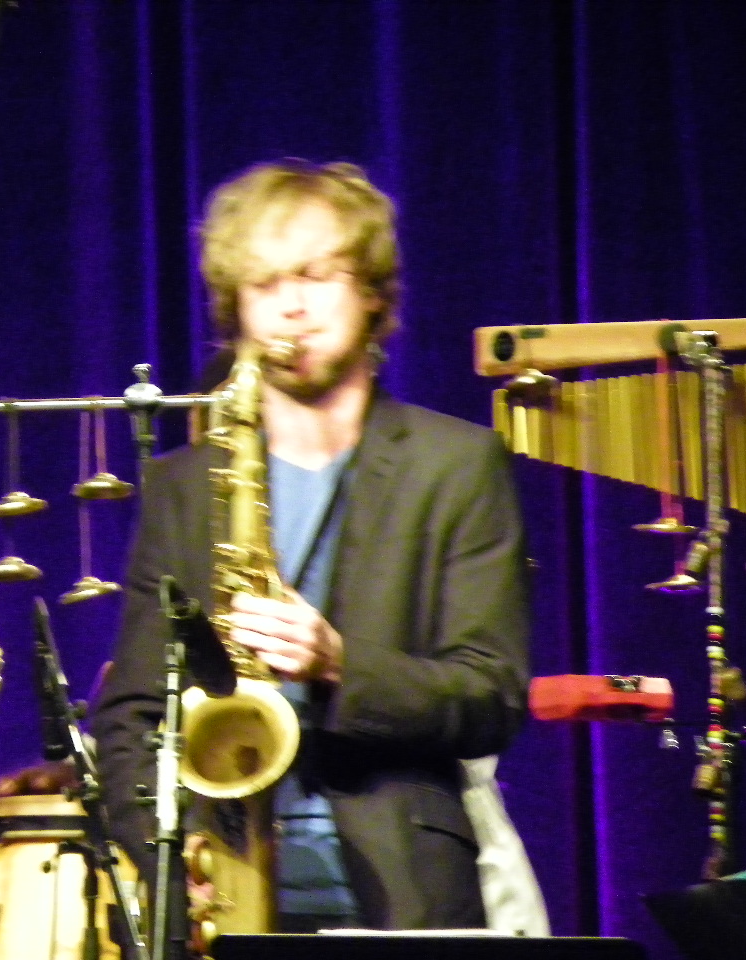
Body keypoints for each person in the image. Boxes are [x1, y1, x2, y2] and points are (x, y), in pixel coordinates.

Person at [90, 159, 532, 933]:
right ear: (236, 308)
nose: (291, 306)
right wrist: (164, 854)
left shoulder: (458, 463)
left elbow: (491, 695)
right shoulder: (181, 485)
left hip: (403, 899)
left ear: (372, 293)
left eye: (316, 275)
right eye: (264, 284)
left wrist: (338, 664)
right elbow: (131, 712)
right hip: (226, 895)